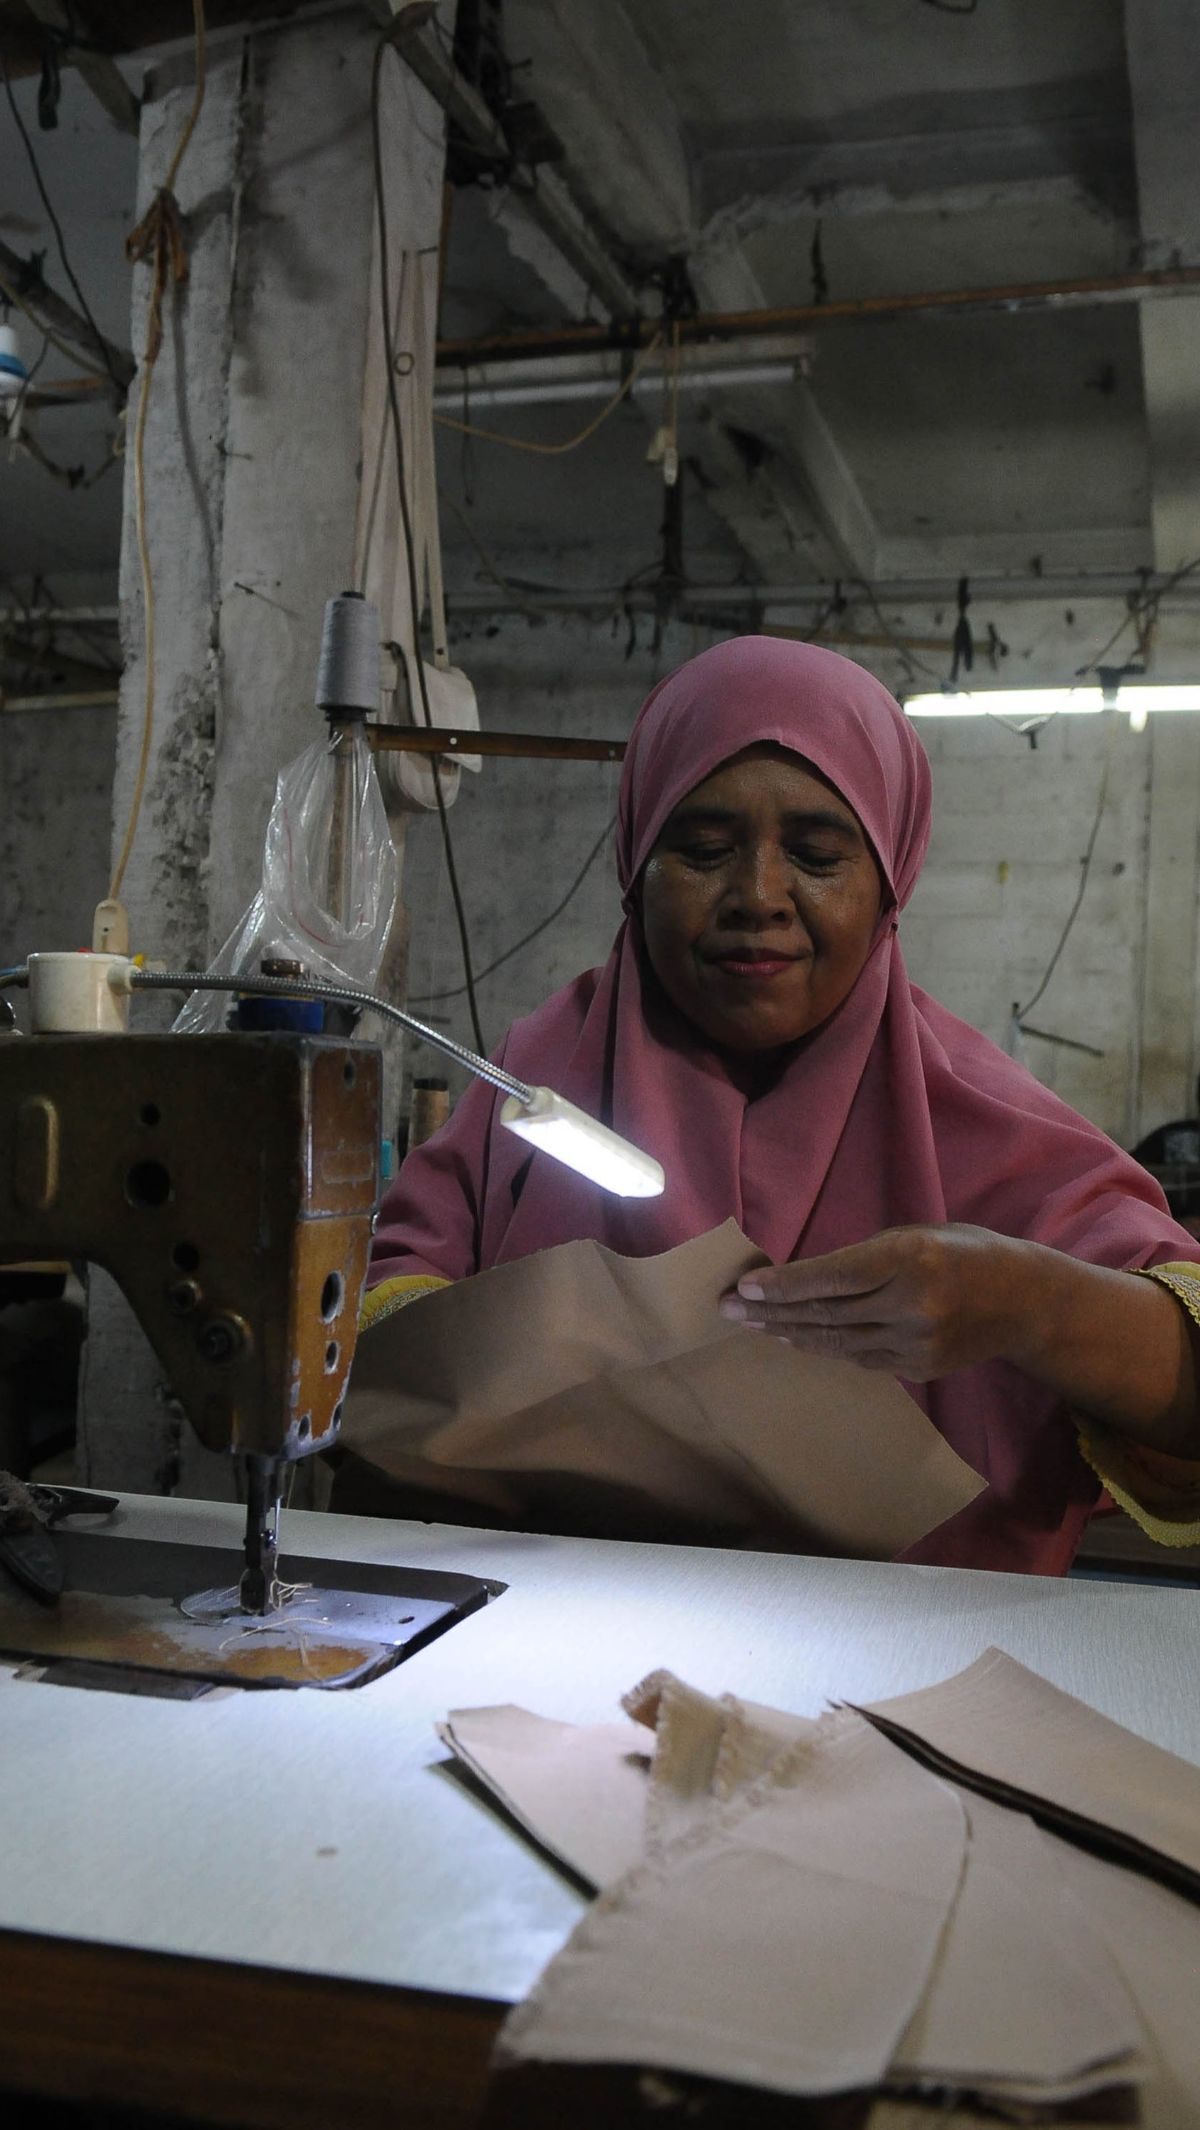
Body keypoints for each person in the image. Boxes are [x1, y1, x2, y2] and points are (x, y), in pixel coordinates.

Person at [364, 635, 1200, 1573]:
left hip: (905, 1678)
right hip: (562, 1651)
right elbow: (385, 1303)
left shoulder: (991, 1129)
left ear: (890, 882)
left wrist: (1026, 1305)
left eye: (815, 853)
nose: (757, 896)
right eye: (705, 848)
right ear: (638, 866)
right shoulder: (537, 1085)